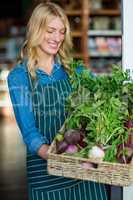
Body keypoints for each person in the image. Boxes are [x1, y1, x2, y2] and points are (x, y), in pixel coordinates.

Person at [7, 2, 108, 200]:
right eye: (51, 31)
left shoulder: (75, 71)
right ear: (36, 30)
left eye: (62, 32)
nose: (57, 38)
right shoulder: (19, 77)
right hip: (46, 176)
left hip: (84, 175)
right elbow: (30, 134)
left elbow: (102, 103)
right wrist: (58, 159)